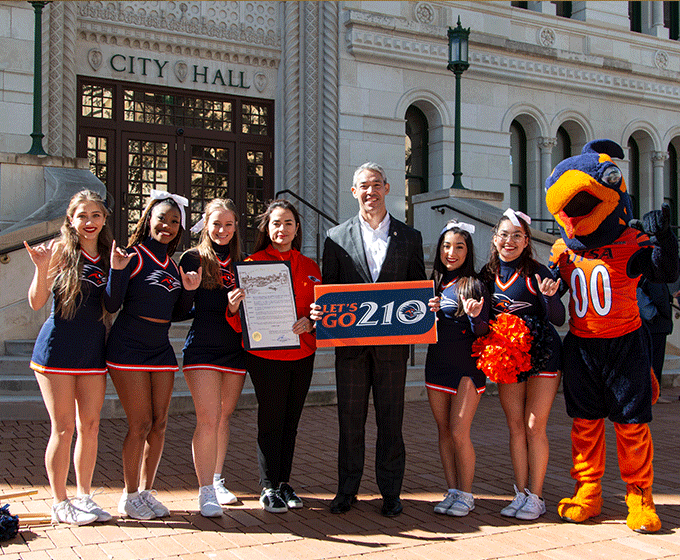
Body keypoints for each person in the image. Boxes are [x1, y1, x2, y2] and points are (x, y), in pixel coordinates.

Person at [312, 162, 426, 517]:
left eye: (376, 184)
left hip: (393, 349)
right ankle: (347, 490)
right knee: (350, 421)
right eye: (363, 185)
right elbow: (329, 289)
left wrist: (428, 306)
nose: (370, 191)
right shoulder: (335, 237)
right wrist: (320, 311)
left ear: (387, 188)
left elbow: (418, 289)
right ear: (353, 192)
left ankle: (391, 492)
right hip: (351, 350)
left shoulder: (410, 237)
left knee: (391, 421)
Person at [105, 190, 201, 520]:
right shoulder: (131, 256)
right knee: (140, 423)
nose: (168, 226)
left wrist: (189, 292)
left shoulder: (174, 267)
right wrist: (117, 271)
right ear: (149, 219)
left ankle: (145, 492)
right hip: (128, 347)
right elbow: (112, 305)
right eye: (162, 218)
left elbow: (177, 313)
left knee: (159, 424)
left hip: (160, 349)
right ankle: (128, 496)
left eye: (175, 221)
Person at [227, 199, 321, 514]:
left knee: (291, 422)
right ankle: (268, 486)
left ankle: (283, 483)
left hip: (302, 353)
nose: (282, 229)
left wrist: (311, 322)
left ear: (297, 228)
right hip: (266, 355)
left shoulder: (310, 267)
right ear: (267, 228)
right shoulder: (251, 263)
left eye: (289, 223)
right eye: (276, 223)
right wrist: (234, 306)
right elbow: (238, 319)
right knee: (271, 419)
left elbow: (321, 312)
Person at [25, 190, 112, 525]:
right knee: (63, 428)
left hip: (93, 349)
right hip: (57, 348)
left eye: (95, 215)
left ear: (104, 219)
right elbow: (36, 302)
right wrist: (42, 267)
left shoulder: (108, 255)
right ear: (71, 220)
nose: (89, 222)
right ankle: (59, 501)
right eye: (82, 216)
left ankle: (84, 497)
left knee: (89, 426)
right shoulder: (60, 252)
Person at [479, 209, 564, 521]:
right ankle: (520, 492)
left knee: (533, 425)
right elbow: (482, 321)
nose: (509, 241)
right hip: (507, 357)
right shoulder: (487, 276)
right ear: (495, 239)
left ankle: (537, 497)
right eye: (504, 235)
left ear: (527, 241)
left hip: (542, 353)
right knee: (514, 425)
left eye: (517, 236)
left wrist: (550, 299)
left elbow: (558, 318)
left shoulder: (538, 273)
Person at [177, 199, 247, 517]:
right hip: (202, 347)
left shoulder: (243, 261)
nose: (222, 230)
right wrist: (192, 291)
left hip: (235, 349)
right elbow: (184, 309)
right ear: (205, 224)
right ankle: (205, 492)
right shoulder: (193, 258)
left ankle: (217, 480)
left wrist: (237, 309)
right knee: (207, 418)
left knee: (223, 416)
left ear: (236, 226)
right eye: (216, 224)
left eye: (228, 224)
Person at [425, 220, 490, 517]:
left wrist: (476, 318)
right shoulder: (433, 283)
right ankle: (452, 490)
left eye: (459, 247)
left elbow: (484, 332)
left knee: (459, 431)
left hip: (467, 367)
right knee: (443, 432)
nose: (452, 252)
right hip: (436, 365)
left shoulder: (474, 284)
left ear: (468, 251)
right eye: (447, 246)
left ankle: (466, 493)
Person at [637, 277, 673, 388]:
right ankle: (655, 392)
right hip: (656, 325)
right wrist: (667, 313)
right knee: (656, 361)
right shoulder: (654, 278)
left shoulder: (645, 277)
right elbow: (659, 298)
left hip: (650, 325)